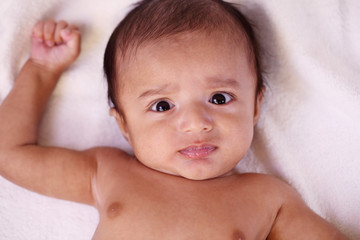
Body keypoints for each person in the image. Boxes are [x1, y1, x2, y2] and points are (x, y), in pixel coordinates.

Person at [0, 0, 348, 239]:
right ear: (123, 124)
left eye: (219, 98)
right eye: (163, 105)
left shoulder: (269, 198)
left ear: (255, 108)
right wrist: (42, 72)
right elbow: (10, 154)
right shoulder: (106, 172)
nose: (196, 123)